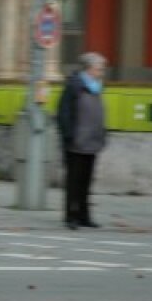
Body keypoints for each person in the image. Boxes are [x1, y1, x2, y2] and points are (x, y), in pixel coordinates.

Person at [56, 52, 108, 230]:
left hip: (92, 141)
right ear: (89, 69)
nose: (101, 71)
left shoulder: (96, 87)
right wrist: (69, 135)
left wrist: (101, 134)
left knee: (86, 181)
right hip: (76, 142)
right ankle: (70, 216)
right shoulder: (74, 85)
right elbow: (63, 113)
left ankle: (84, 216)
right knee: (74, 181)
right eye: (99, 68)